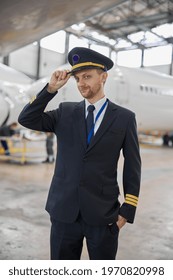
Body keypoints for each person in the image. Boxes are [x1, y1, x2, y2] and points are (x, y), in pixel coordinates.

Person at [18, 47, 141, 260]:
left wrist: (128, 209)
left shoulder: (124, 118)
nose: (81, 83)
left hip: (104, 215)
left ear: (103, 77)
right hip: (64, 213)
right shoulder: (65, 112)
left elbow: (133, 164)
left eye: (87, 77)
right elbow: (26, 118)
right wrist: (50, 89)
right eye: (77, 79)